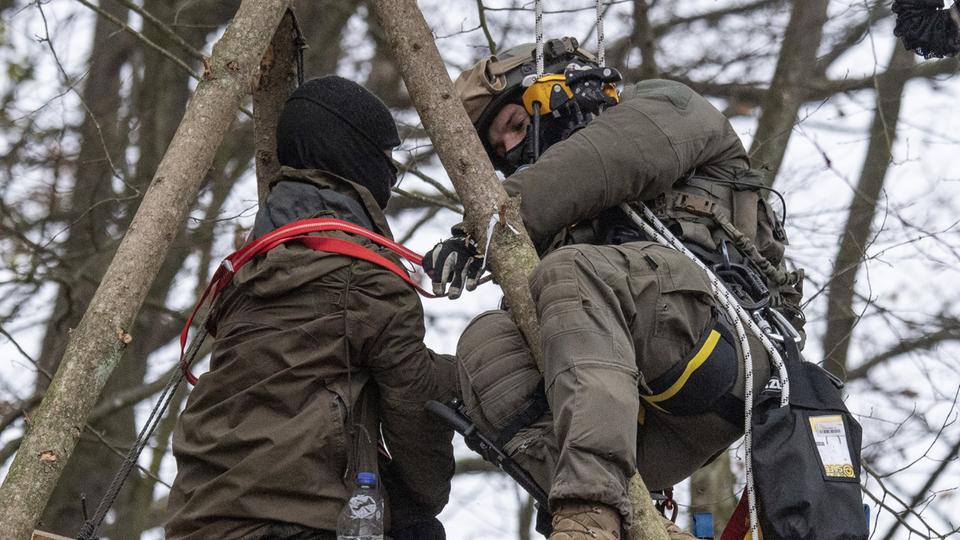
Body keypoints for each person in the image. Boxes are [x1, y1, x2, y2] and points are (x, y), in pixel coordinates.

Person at [424, 38, 805, 540]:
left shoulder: (666, 106)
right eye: (501, 151)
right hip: (644, 433)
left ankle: (589, 512)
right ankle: (633, 521)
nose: (514, 150)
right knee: (487, 343)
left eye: (516, 125)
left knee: (571, 273)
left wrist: (486, 226)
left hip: (721, 348)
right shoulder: (563, 232)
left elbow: (604, 160)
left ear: (559, 86)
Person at [166, 76, 456, 540]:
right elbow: (415, 408)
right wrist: (422, 496)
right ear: (357, 156)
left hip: (197, 521)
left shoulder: (250, 267)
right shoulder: (369, 279)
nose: (390, 180)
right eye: (389, 166)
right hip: (301, 524)